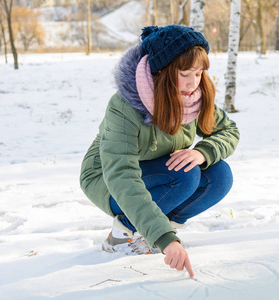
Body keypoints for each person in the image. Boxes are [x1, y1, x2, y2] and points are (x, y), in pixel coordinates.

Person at [79, 24, 240, 277]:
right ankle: (122, 235)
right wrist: (166, 239)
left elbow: (228, 131)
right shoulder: (125, 106)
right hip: (107, 178)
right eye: (185, 73)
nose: (192, 83)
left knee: (219, 174)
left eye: (198, 73)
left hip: (159, 171)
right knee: (185, 176)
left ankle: (154, 230)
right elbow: (121, 174)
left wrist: (202, 152)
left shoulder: (192, 99)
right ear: (162, 72)